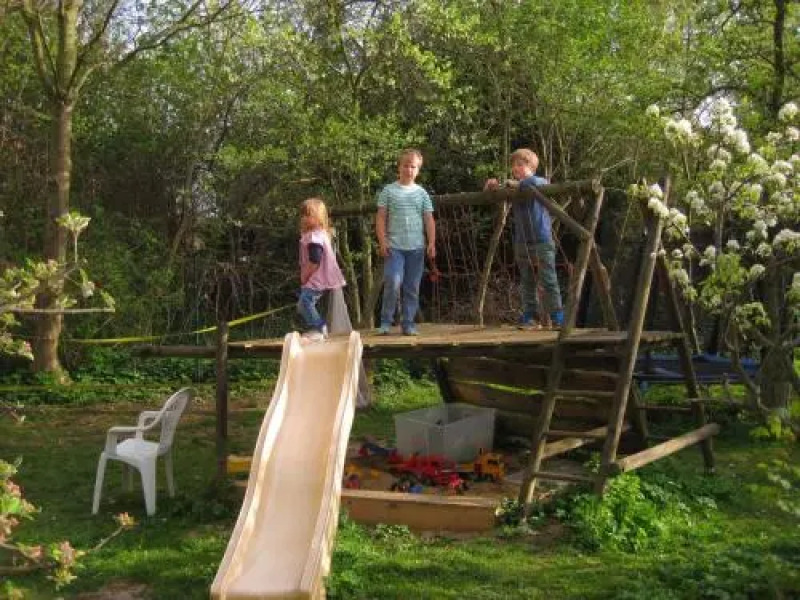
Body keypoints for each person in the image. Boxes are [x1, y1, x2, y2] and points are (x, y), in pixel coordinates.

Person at [485, 148, 563, 329]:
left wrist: (517, 184)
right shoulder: (513, 187)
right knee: (527, 281)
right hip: (522, 241)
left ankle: (558, 317)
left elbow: (538, 181)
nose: (515, 168)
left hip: (542, 240)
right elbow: (493, 194)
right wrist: (491, 186)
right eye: (513, 165)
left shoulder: (539, 182)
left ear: (532, 167)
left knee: (548, 279)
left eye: (520, 165)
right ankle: (530, 317)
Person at [375, 148, 436, 336]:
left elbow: (428, 219)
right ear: (399, 167)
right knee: (393, 281)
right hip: (394, 247)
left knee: (412, 287)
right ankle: (386, 321)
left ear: (418, 170)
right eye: (406, 165)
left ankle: (408, 323)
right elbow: (380, 218)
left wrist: (432, 242)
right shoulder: (388, 191)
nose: (409, 170)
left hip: (416, 248)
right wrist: (382, 241)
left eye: (413, 167)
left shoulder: (422, 193)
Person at [297, 197, 346, 341]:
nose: (304, 218)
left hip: (318, 276)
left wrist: (305, 275)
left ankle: (319, 328)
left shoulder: (315, 236)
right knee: (304, 303)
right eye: (303, 215)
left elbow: (315, 260)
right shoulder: (319, 233)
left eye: (308, 215)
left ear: (318, 217)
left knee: (305, 301)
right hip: (321, 276)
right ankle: (317, 328)